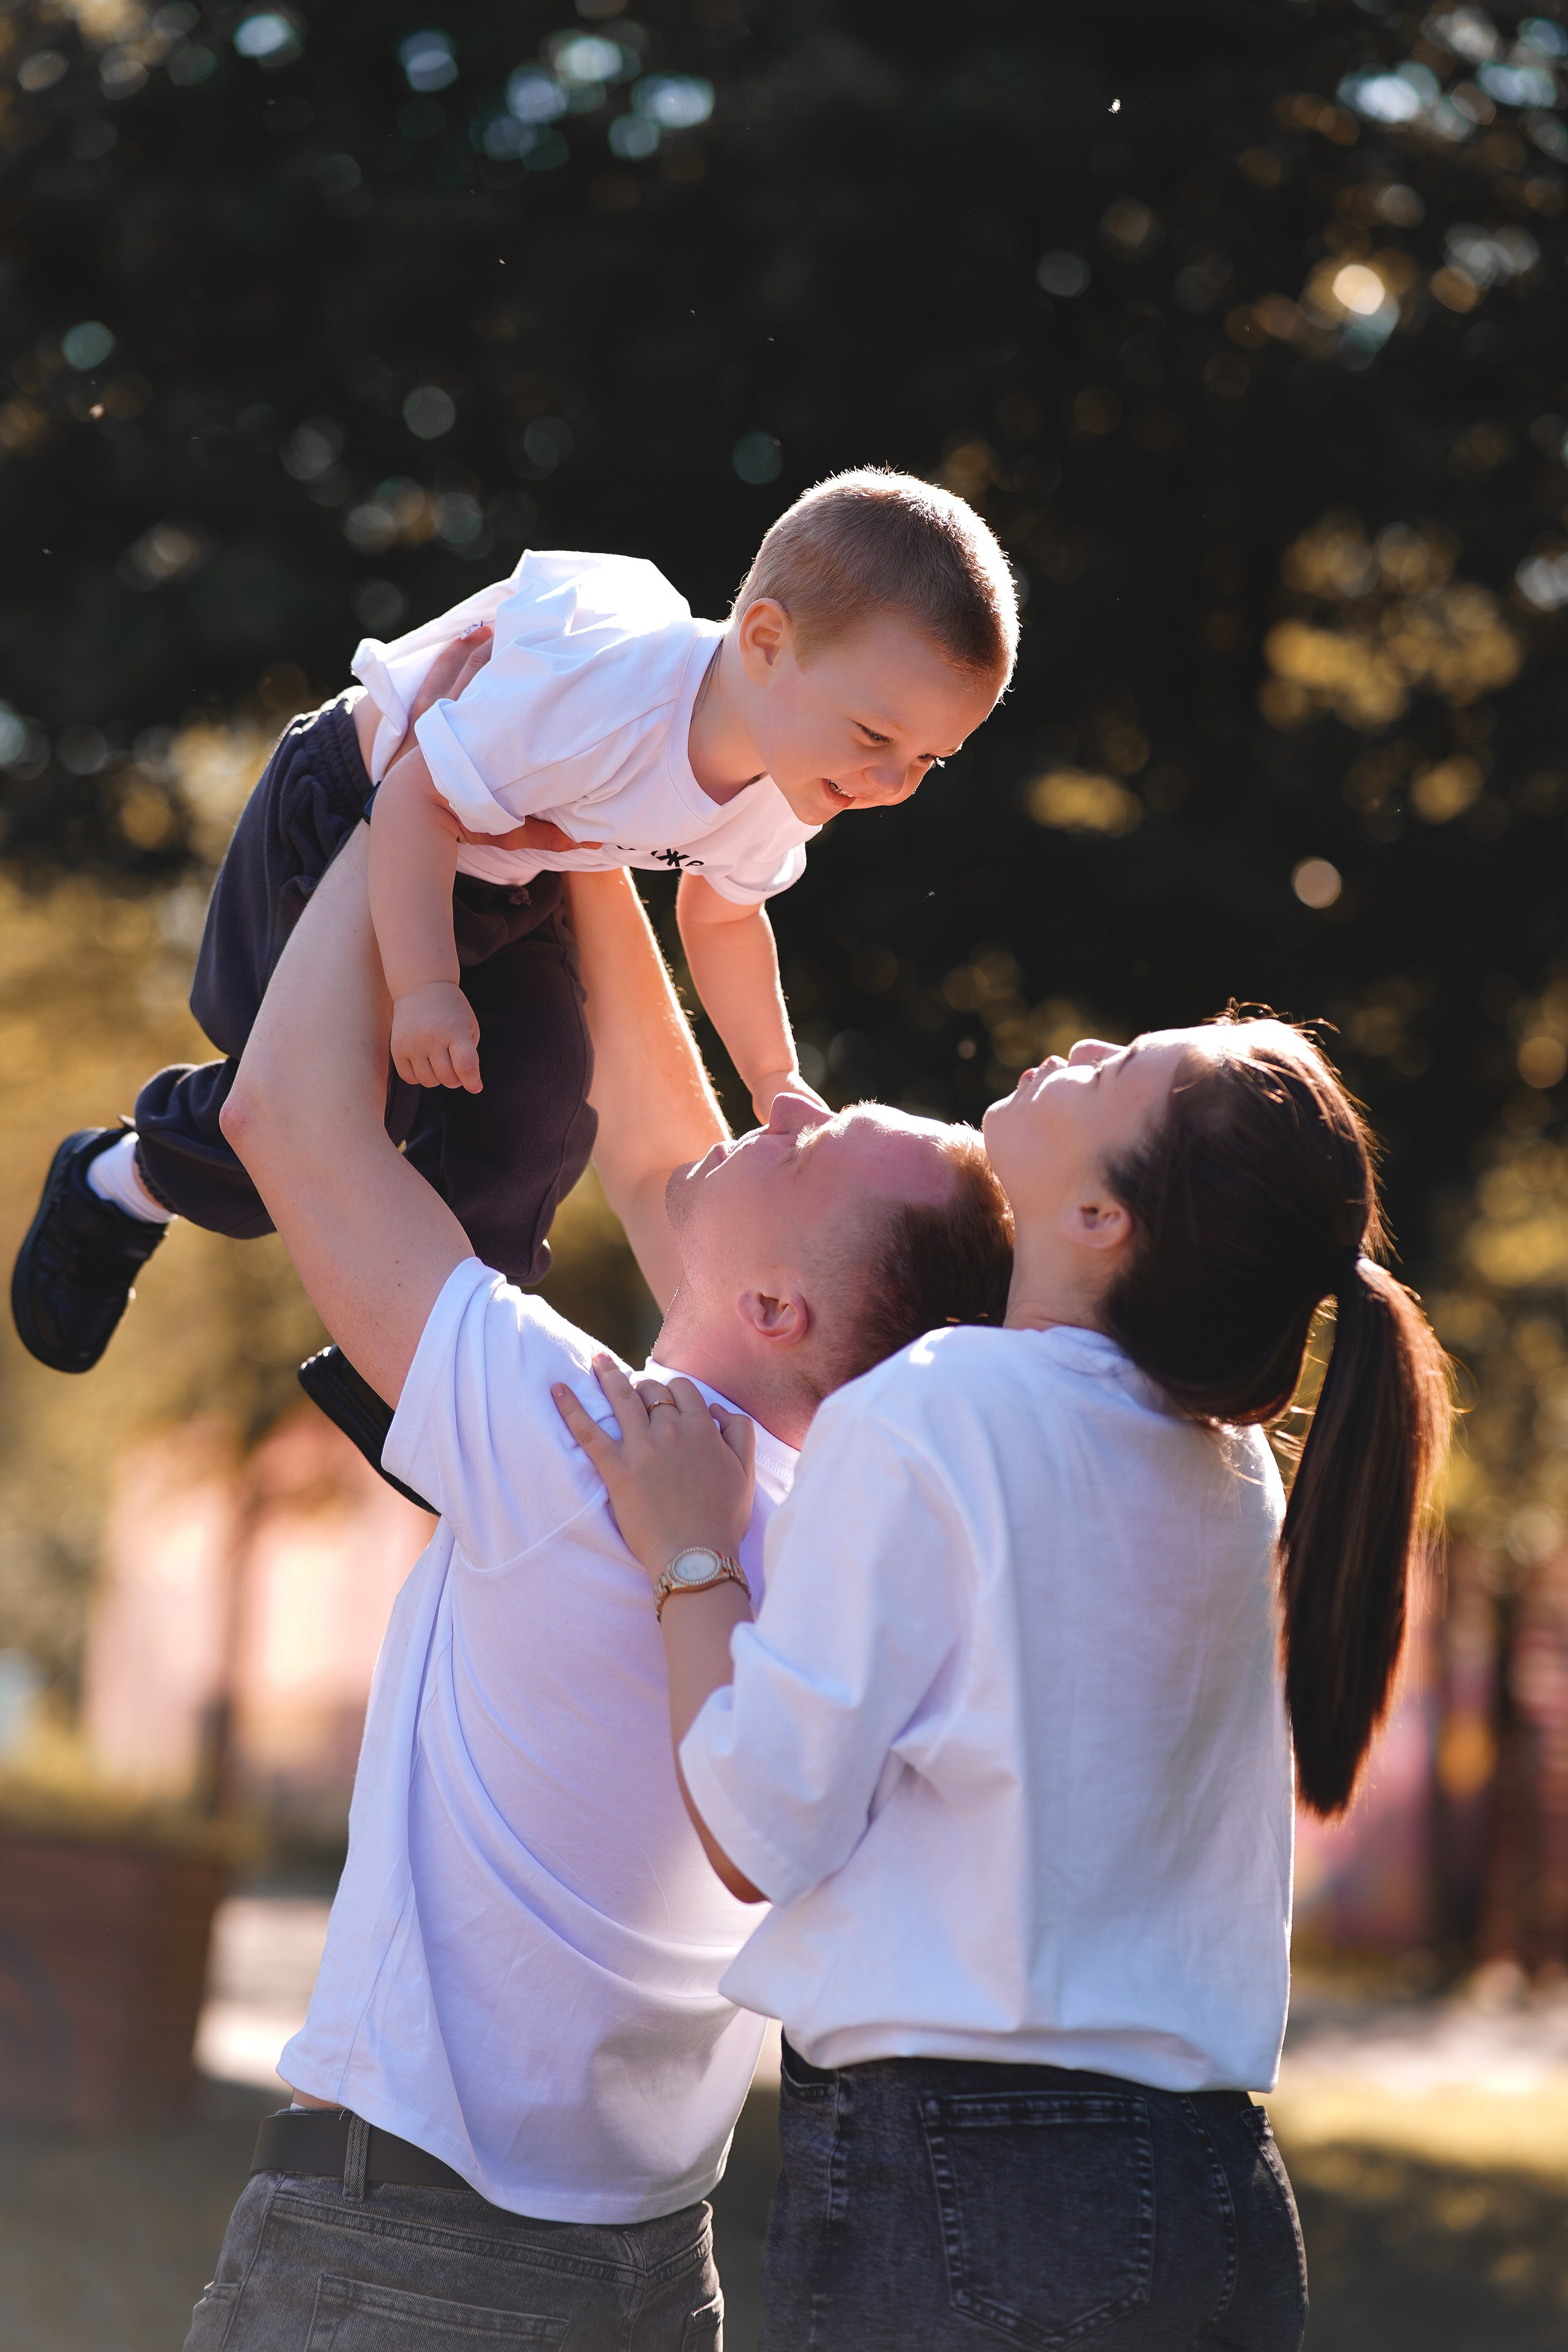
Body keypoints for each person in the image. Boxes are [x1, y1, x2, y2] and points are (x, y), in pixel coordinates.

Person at [185, 826, 1014, 2349]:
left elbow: (284, 1113)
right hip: (643, 2271)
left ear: (773, 1306)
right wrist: (582, 834)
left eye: (815, 1144)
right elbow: (652, 1150)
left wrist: (432, 792)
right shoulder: (834, 1526)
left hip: (410, 2262)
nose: (788, 1104)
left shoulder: (576, 1434)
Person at [556, 1016, 1453, 2352]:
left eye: (1112, 1075)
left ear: (1098, 1214)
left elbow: (759, 1827)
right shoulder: (1228, 1470)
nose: (1076, 1046)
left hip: (968, 2179)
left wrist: (693, 1554)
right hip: (1215, 2189)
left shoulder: (936, 1406)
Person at [10, 470, 1014, 1403]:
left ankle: (432, 1378)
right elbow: (416, 798)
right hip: (365, 811)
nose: (892, 782)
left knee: (539, 1104)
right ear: (763, 641)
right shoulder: (605, 699)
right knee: (338, 1114)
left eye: (932, 758)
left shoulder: (798, 775)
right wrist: (425, 988)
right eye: (877, 737)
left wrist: (772, 1077)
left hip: (514, 875)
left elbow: (724, 912)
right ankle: (119, 1179)